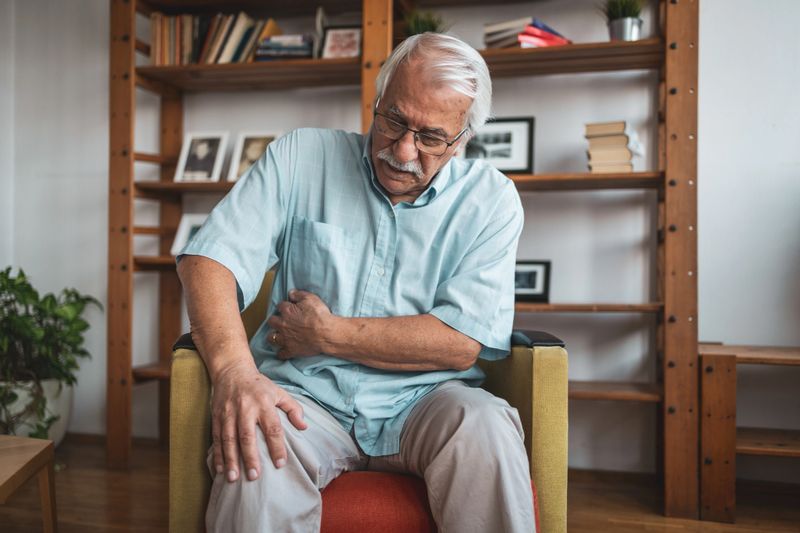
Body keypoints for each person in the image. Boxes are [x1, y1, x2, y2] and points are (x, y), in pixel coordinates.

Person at [177, 32, 533, 532]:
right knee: (255, 442)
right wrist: (236, 372)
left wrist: (326, 335)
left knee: (488, 426)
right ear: (377, 101)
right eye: (394, 121)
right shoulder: (301, 156)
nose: (404, 149)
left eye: (430, 137)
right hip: (306, 398)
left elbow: (460, 344)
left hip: (427, 401)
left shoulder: (492, 201)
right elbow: (209, 259)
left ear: (462, 139)